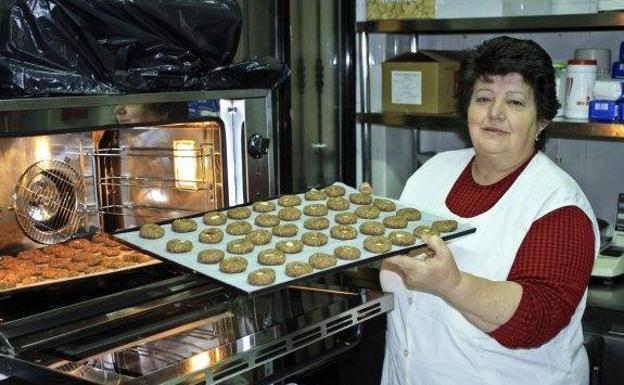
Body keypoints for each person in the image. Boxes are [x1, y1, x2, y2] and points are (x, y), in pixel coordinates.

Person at [377, 36, 599, 385]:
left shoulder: (560, 207)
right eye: (483, 98)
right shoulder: (431, 173)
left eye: (514, 101)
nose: (495, 112)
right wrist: (367, 228)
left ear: (541, 121)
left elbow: (536, 319)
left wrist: (454, 284)